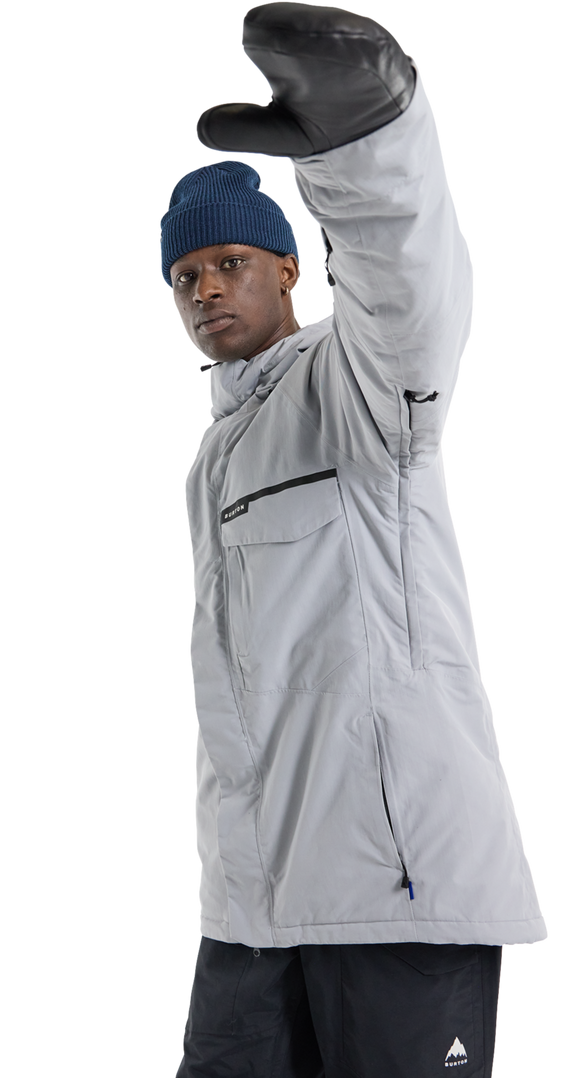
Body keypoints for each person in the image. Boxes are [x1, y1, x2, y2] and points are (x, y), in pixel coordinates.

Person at [159, 4, 550, 1076]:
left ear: (289, 270)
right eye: (184, 278)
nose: (205, 289)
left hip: (394, 890)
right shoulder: (214, 455)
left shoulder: (361, 385)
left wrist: (366, 147)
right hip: (250, 903)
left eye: (229, 262)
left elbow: (411, 290)